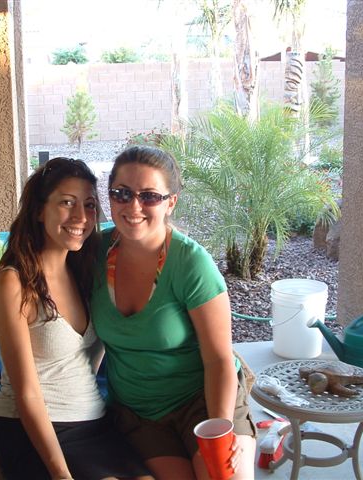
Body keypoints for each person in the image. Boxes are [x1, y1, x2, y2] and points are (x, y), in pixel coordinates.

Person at [91, 146, 257, 479]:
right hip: (139, 412)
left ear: (171, 202)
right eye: (122, 193)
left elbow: (219, 360)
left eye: (149, 196)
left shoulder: (191, 264)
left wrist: (220, 430)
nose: (133, 206)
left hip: (204, 398)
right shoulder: (94, 253)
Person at [0, 157, 151, 480]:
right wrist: (61, 474)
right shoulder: (14, 283)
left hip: (94, 423)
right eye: (67, 203)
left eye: (89, 205)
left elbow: (87, 357)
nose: (81, 217)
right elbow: (26, 394)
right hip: (36, 431)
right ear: (39, 210)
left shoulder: (84, 272)